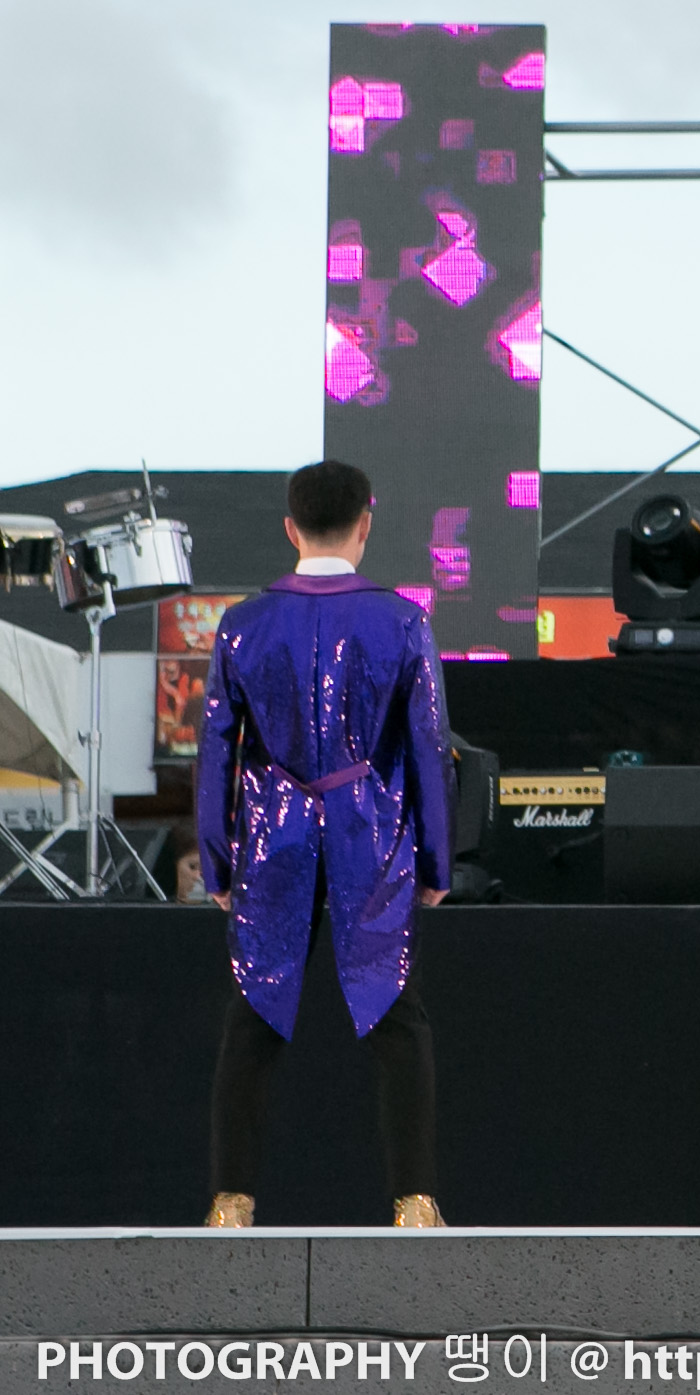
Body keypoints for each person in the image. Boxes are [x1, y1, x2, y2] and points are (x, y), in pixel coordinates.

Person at [195, 459, 452, 1229]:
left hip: (272, 835)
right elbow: (428, 746)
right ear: (365, 523)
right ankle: (415, 1201)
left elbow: (215, 748)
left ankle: (230, 1201)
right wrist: (436, 858)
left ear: (289, 526)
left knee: (253, 1009)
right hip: (368, 833)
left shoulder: (242, 622)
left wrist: (216, 857)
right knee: (396, 1011)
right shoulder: (402, 620)